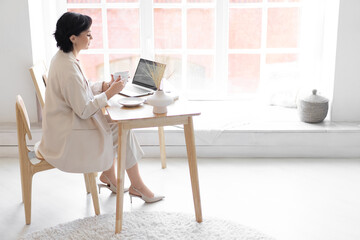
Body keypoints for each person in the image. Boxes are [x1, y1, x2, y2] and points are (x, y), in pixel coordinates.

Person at [38, 12, 163, 203]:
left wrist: (103, 87)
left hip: (65, 128)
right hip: (67, 138)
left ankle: (111, 178)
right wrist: (110, 93)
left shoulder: (64, 58)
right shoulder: (68, 68)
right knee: (122, 129)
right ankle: (136, 185)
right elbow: (84, 110)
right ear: (73, 38)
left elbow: (81, 91)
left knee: (115, 126)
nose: (91, 38)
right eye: (87, 34)